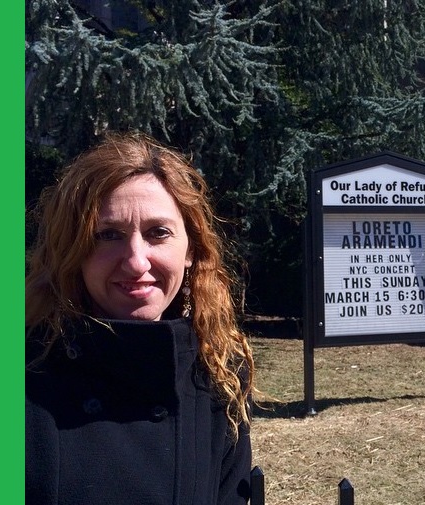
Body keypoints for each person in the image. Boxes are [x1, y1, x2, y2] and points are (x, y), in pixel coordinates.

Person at [25, 132, 255, 504]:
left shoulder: (217, 375)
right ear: (72, 249)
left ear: (191, 249)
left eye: (158, 233)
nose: (135, 262)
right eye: (108, 235)